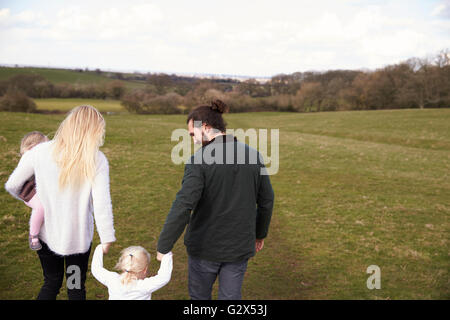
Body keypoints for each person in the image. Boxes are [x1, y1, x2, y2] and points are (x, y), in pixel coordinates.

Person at [157, 99, 275, 300]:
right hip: (239, 247)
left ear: (205, 126)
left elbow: (184, 205)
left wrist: (163, 246)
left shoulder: (198, 161)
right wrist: (260, 234)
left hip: (205, 248)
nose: (193, 140)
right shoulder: (254, 156)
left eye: (193, 134)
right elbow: (266, 200)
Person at [4, 105, 116, 300]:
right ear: (94, 131)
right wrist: (107, 237)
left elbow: (14, 185)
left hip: (45, 235)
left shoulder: (39, 152)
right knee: (75, 287)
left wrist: (35, 201)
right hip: (77, 239)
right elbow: (102, 204)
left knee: (51, 282)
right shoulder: (97, 159)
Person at [91, 244, 173, 300]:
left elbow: (96, 269)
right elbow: (163, 277)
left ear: (124, 266)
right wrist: (166, 255)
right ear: (145, 270)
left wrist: (100, 247)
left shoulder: (112, 280)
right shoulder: (143, 286)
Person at [16, 131, 49, 250]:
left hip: (37, 188)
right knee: (40, 207)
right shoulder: (27, 159)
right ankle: (33, 235)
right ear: (33, 147)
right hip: (28, 190)